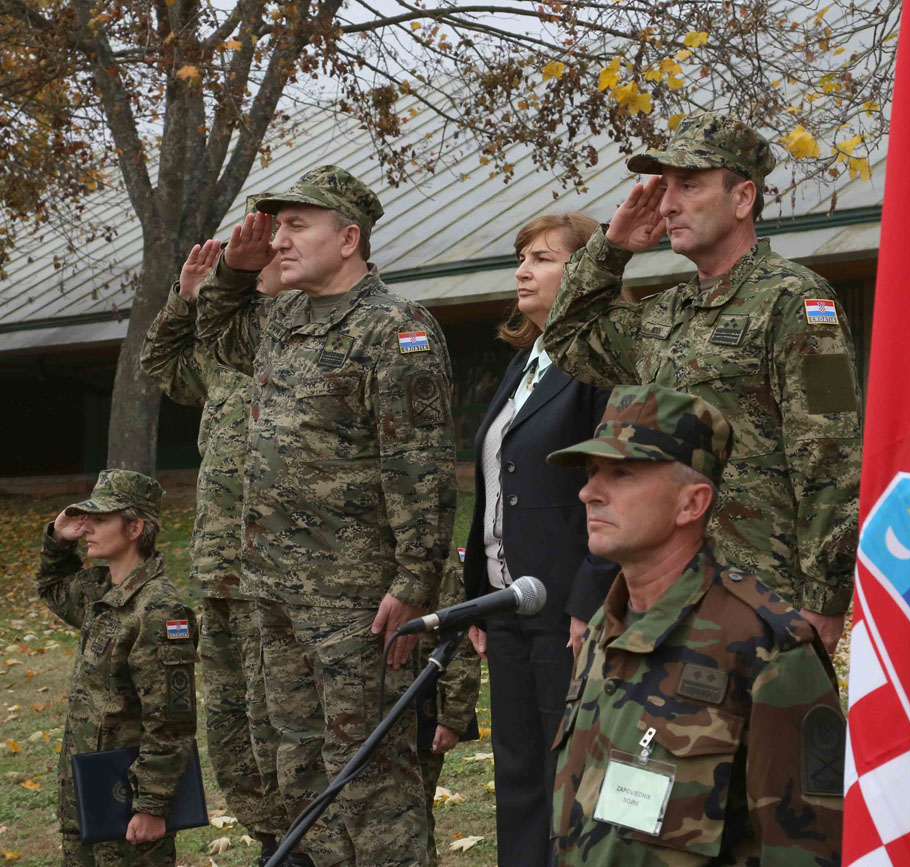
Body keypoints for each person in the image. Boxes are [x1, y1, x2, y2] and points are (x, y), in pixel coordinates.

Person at [194, 165, 457, 867]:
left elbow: (421, 466)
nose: (279, 240)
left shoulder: (395, 329)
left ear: (348, 239)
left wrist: (415, 582)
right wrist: (233, 271)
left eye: (295, 225)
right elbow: (214, 337)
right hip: (276, 592)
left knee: (370, 777)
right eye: (277, 226)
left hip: (356, 602)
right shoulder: (283, 319)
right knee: (301, 768)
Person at [542, 111, 863, 655]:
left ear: (742, 199)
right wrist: (611, 248)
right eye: (664, 188)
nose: (667, 204)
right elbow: (568, 337)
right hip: (665, 588)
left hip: (760, 594)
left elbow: (830, 457)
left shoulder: (798, 303)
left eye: (688, 186)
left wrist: (824, 600)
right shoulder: (665, 313)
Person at [546, 385, 845, 865]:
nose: (588, 492)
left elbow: (807, 849)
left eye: (621, 473)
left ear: (692, 504)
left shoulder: (767, 647)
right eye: (591, 473)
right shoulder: (605, 625)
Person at [462, 212, 620, 866]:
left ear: (584, 272)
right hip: (509, 605)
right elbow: (493, 482)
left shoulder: (600, 362)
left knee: (571, 769)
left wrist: (589, 598)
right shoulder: (524, 363)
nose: (523, 271)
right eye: (521, 257)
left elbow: (614, 484)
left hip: (566, 610)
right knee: (518, 770)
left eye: (542, 258)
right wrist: (479, 596)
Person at [139, 207, 292, 866]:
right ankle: (271, 840)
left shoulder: (304, 340)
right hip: (219, 574)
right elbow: (158, 363)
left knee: (275, 721)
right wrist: (185, 299)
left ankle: (301, 839)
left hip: (277, 577)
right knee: (229, 728)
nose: (266, 259)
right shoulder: (224, 356)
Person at [38, 470, 200, 867]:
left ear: (135, 528)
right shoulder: (103, 591)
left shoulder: (159, 610)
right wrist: (59, 539)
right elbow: (53, 586)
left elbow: (170, 722)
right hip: (88, 795)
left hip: (126, 802)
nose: (88, 528)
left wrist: (152, 805)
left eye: (100, 519)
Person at [415, 554, 481, 863]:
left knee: (410, 818)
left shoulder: (430, 549)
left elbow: (460, 638)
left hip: (418, 711)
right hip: (355, 711)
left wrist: (453, 716)